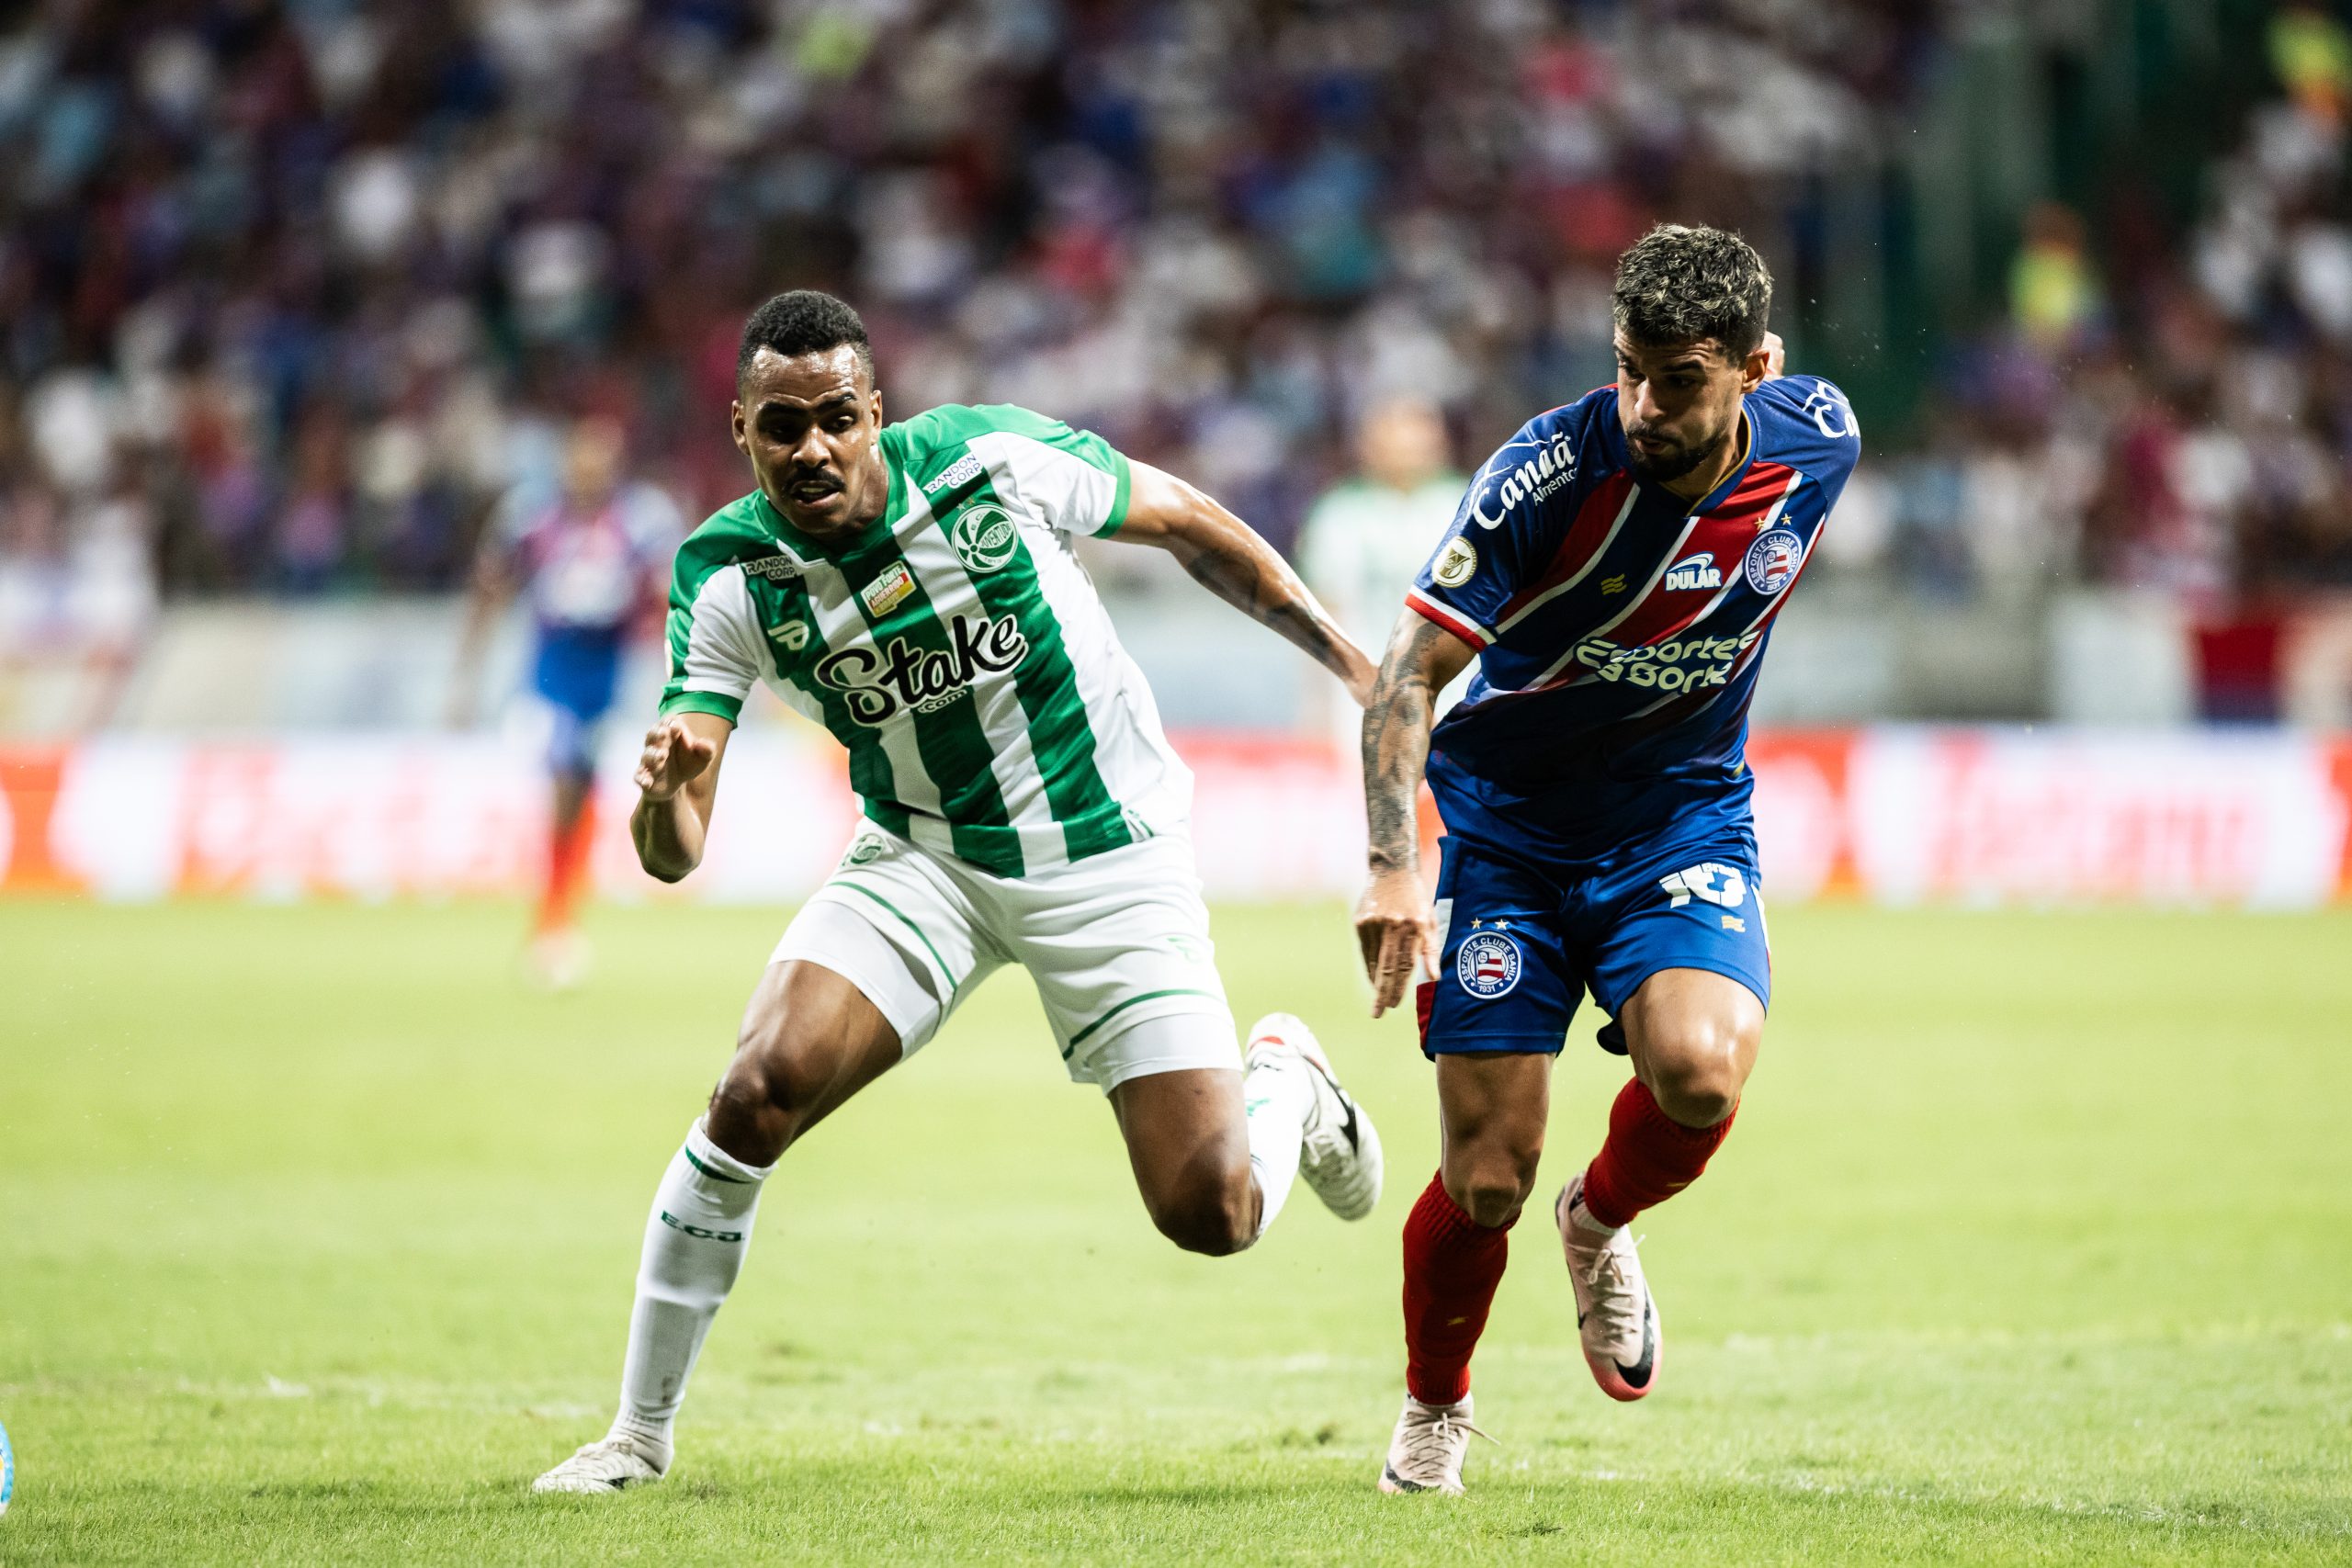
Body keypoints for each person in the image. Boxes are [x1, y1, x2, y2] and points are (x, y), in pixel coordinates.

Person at [533, 291, 1386, 1494]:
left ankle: (1288, 1080)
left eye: (837, 417)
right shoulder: (727, 578)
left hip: (1106, 849)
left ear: (876, 411)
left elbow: (1188, 520)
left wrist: (1352, 659)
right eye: (783, 426)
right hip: (925, 855)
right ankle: (635, 1432)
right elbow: (673, 853)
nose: (813, 446)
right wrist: (659, 797)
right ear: (742, 429)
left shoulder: (990, 460)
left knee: (1215, 1209)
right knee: (752, 1088)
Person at [1351, 226, 1860, 1495]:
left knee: (1697, 1071)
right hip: (1511, 832)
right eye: (1627, 368)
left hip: (1679, 819)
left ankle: (1601, 1217)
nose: (1642, 404)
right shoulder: (1541, 478)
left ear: (1756, 368)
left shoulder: (1820, 445)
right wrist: (1392, 862)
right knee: (1484, 1176)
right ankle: (1435, 1404)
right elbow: (1408, 672)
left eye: (1677, 379)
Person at [455, 415, 682, 987]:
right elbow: (491, 586)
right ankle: (553, 920)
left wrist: (674, 657)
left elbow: (671, 593)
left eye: (598, 461)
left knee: (584, 788)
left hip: (607, 673)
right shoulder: (531, 516)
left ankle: (562, 913)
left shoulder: (641, 519)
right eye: (579, 460)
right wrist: (467, 674)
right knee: (562, 779)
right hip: (550, 672)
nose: (587, 472)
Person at [1297, 399, 1470, 754]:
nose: (1405, 453)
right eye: (1393, 442)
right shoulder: (1340, 514)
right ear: (1367, 446)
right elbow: (1323, 618)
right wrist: (1317, 709)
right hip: (1368, 694)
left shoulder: (1467, 502)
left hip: (1460, 693)